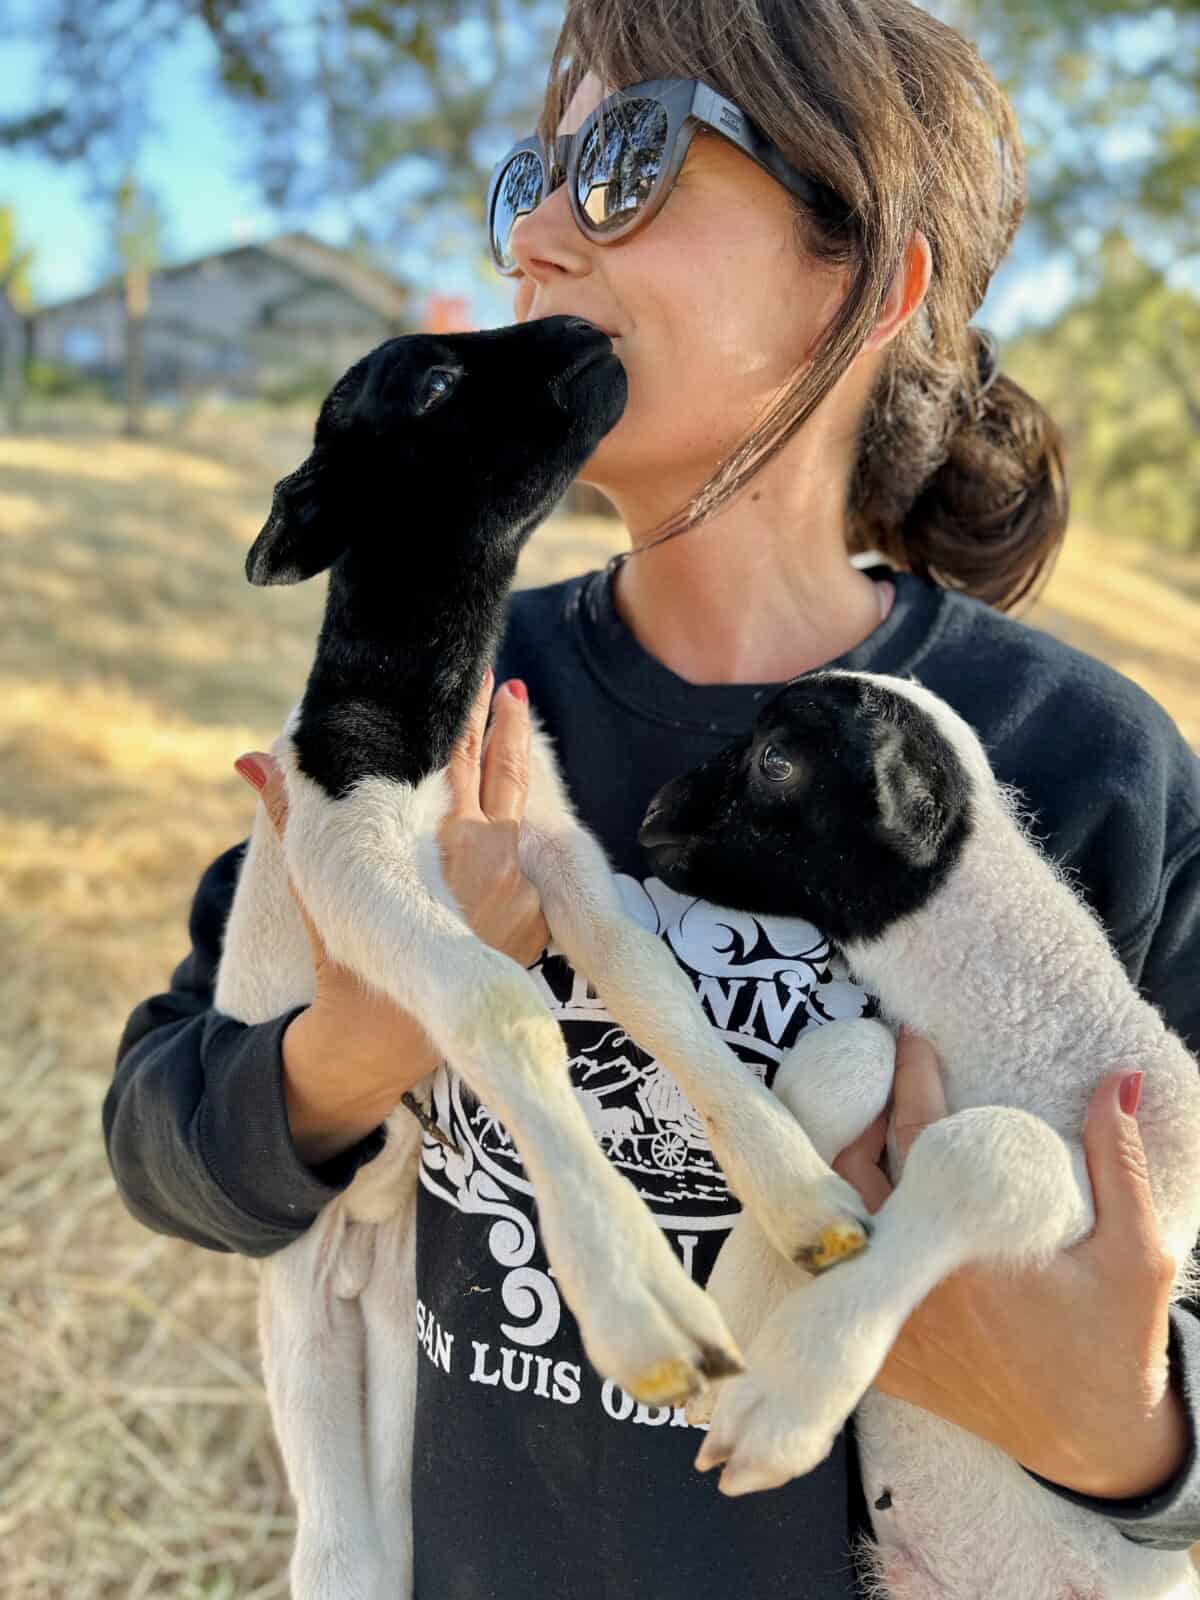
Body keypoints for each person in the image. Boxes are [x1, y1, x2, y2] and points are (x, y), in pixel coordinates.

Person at [105, 1, 1200, 1593]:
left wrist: (1114, 1428)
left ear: (874, 278)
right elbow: (166, 1139)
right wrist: (358, 1043)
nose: (538, 239)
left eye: (628, 162)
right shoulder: (455, 702)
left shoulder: (1080, 765)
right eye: (529, 180)